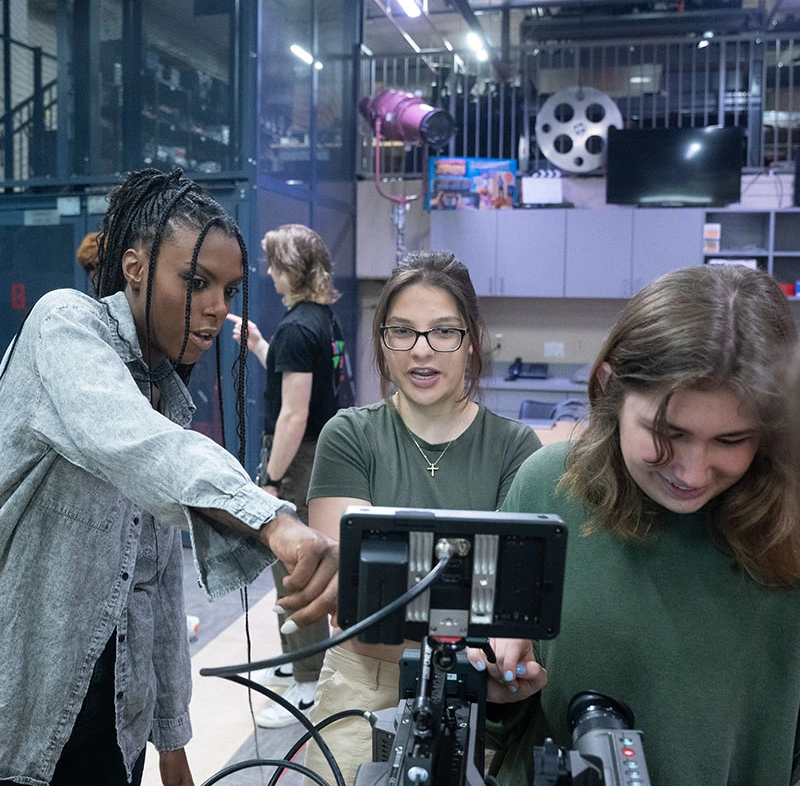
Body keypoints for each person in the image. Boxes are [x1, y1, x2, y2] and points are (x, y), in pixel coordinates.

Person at [0, 169, 337, 786]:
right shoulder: (63, 325)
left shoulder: (165, 397)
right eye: (196, 282)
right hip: (22, 718)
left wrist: (172, 743)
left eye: (230, 290)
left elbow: (150, 587)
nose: (216, 308)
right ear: (133, 268)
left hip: (110, 727)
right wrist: (273, 520)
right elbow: (139, 444)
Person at [474, 264, 800, 786]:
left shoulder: (791, 526)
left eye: (731, 441)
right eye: (666, 433)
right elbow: (495, 726)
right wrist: (494, 686)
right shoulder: (547, 489)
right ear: (610, 387)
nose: (692, 472)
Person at [303, 250, 542, 785]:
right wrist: (470, 626)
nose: (422, 351)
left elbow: (515, 605)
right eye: (402, 332)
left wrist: (499, 650)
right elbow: (353, 603)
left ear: (472, 338)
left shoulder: (514, 447)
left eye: (443, 332)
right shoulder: (350, 435)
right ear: (382, 342)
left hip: (472, 694)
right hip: (362, 686)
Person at [226, 223, 346, 728]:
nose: (268, 273)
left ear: (291, 270)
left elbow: (294, 415)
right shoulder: (321, 321)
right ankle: (305, 667)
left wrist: (271, 483)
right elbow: (298, 378)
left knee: (293, 566)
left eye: (274, 264)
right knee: (309, 562)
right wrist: (258, 345)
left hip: (298, 460)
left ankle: (305, 680)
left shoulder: (298, 327)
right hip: (320, 452)